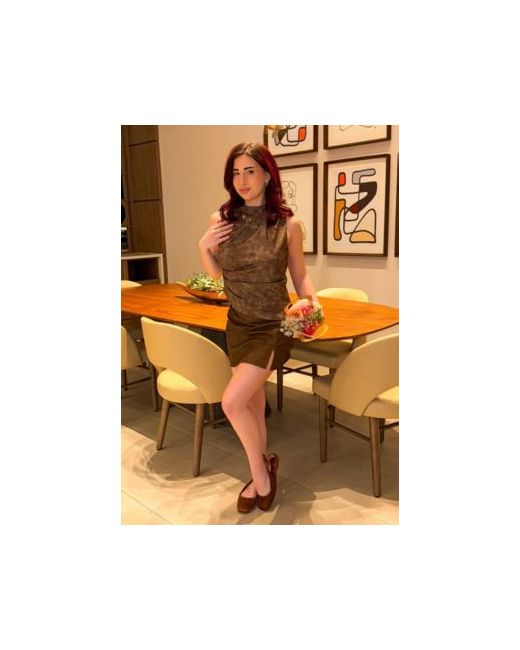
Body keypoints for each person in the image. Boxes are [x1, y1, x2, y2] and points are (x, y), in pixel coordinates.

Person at [198, 142, 319, 514]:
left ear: (267, 175)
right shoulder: (221, 220)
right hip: (238, 323)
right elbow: (219, 276)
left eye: (250, 171)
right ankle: (263, 465)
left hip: (272, 325)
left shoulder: (288, 225)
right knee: (251, 402)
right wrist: (203, 248)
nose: (242, 180)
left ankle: (261, 476)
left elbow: (299, 274)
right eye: (236, 173)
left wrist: (312, 303)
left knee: (231, 402)